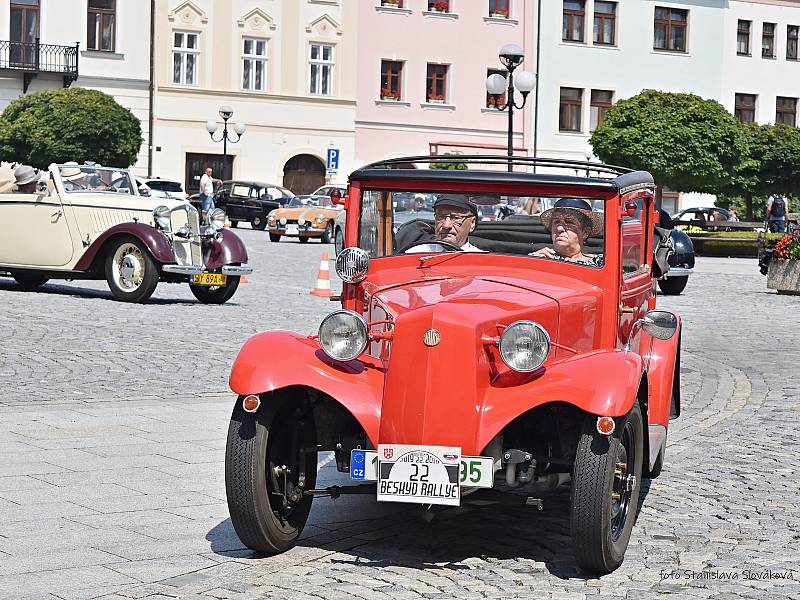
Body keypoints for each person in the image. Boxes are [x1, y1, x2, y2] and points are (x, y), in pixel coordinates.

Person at [529, 198, 604, 266]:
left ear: (585, 232)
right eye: (556, 222)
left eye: (569, 222)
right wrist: (532, 263)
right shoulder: (540, 257)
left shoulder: (601, 263)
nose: (559, 228)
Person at [405, 195, 485, 252]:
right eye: (441, 217)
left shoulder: (482, 262)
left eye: (456, 218)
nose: (446, 225)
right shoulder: (415, 255)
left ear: (472, 223)